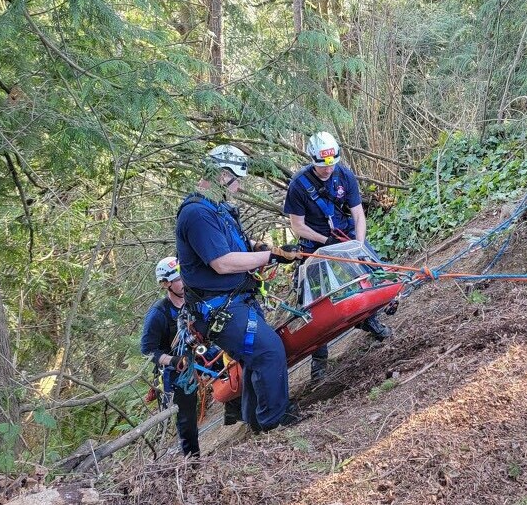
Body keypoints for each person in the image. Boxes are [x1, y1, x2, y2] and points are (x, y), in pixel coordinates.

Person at [175, 144, 301, 432]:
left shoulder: (217, 209)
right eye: (237, 181)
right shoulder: (197, 214)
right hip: (221, 308)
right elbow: (222, 262)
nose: (240, 188)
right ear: (222, 176)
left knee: (256, 356)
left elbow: (236, 247)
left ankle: (258, 419)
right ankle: (274, 423)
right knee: (268, 352)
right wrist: (271, 256)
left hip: (236, 302)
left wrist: (266, 249)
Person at [283, 132, 392, 381]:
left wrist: (359, 246)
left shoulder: (343, 174)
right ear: (312, 160)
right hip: (315, 243)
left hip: (345, 235)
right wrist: (325, 242)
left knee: (372, 273)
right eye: (322, 166)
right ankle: (319, 360)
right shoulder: (299, 185)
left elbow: (358, 214)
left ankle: (370, 320)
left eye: (331, 165)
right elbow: (297, 225)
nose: (327, 170)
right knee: (313, 300)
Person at [140, 257, 202, 457]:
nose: (183, 282)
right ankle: (193, 460)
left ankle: (236, 414)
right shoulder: (158, 314)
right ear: (166, 283)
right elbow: (148, 350)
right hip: (177, 367)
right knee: (186, 416)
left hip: (201, 352)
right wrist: (173, 361)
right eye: (177, 279)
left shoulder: (195, 298)